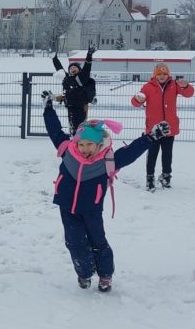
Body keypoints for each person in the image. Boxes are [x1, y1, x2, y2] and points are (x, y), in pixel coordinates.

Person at [42, 90, 171, 292]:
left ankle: (105, 275)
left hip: (92, 209)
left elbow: (130, 153)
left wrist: (150, 138)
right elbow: (54, 130)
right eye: (82, 144)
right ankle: (84, 272)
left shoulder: (106, 160)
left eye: (89, 144)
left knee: (97, 242)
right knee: (74, 242)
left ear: (98, 144)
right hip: (67, 206)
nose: (84, 148)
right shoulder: (68, 150)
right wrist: (48, 109)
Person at [130, 61, 194, 191]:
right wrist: (138, 99)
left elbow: (189, 93)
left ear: (168, 75)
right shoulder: (148, 87)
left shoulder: (174, 86)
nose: (162, 76)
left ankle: (166, 176)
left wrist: (186, 86)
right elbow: (135, 102)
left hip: (169, 128)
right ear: (155, 75)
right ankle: (150, 178)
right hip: (153, 129)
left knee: (167, 154)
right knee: (152, 154)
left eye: (165, 73)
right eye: (159, 74)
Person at [56, 45, 96, 131]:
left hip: (80, 107)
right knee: (72, 127)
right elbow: (60, 70)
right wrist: (54, 59)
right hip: (70, 106)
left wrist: (89, 55)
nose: (72, 69)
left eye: (75, 67)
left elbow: (87, 68)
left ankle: (79, 141)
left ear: (79, 70)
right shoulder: (68, 78)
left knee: (79, 127)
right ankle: (74, 139)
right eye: (71, 68)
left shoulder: (81, 78)